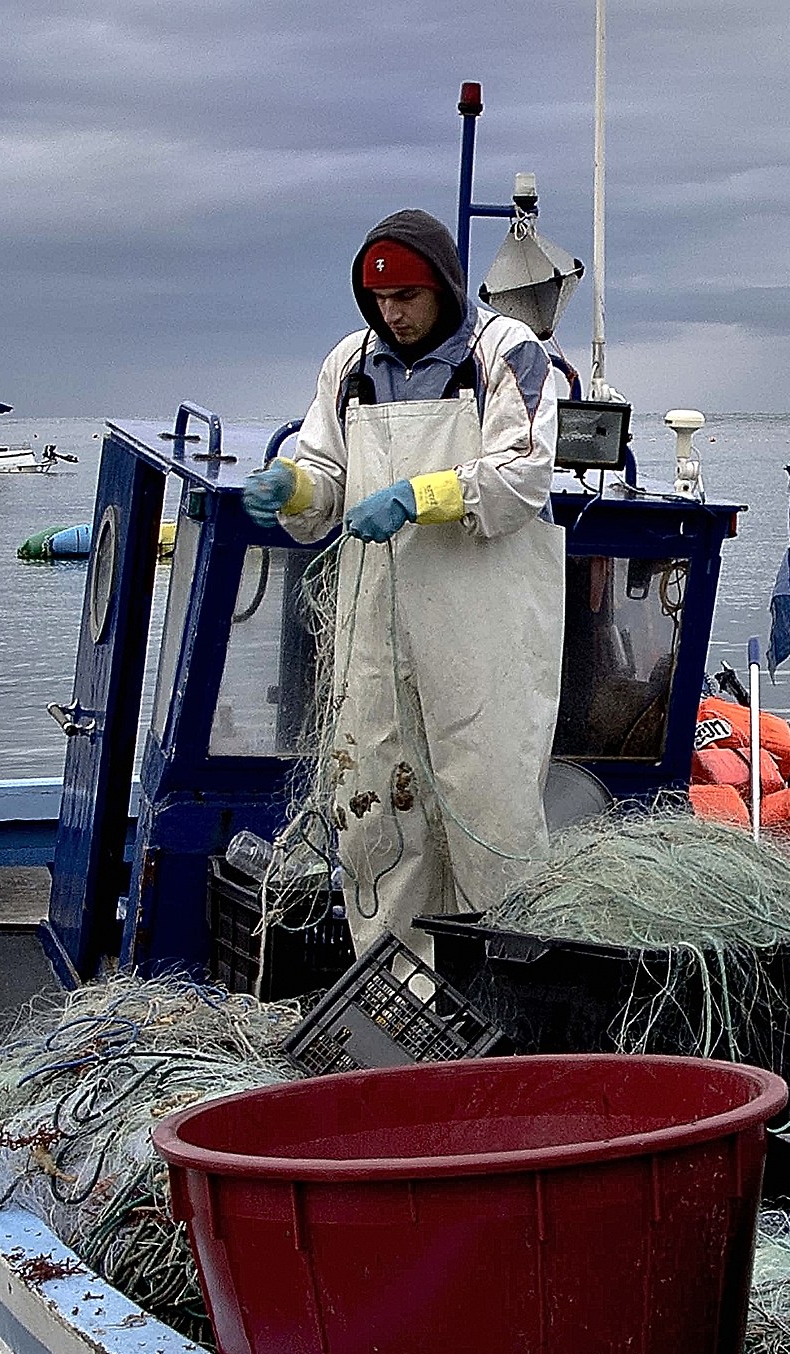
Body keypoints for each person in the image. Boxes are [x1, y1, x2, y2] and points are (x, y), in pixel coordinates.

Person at [240, 208, 561, 951]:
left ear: (444, 288)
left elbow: (523, 474)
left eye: (409, 297)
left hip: (484, 632)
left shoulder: (504, 353)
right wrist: (291, 486)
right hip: (373, 629)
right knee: (377, 807)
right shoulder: (349, 367)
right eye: (381, 300)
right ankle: (392, 997)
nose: (395, 314)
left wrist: (421, 496)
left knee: (494, 812)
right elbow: (325, 478)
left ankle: (510, 999)